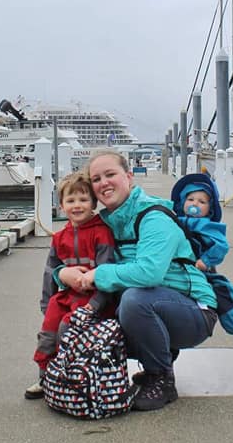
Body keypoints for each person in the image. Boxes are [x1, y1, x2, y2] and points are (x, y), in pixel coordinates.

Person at [66, 151, 219, 412]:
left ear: (128, 177)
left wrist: (97, 275)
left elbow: (150, 273)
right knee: (83, 308)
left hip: (193, 311)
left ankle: (161, 378)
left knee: (134, 300)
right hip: (154, 304)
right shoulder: (105, 221)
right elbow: (69, 250)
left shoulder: (154, 217)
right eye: (96, 179)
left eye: (110, 174)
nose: (104, 183)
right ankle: (156, 357)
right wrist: (63, 273)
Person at [24, 171, 116, 400]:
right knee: (47, 333)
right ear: (62, 205)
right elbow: (50, 271)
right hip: (66, 296)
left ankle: (72, 377)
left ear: (93, 203)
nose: (77, 205)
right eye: (71, 200)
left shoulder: (101, 232)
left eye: (83, 200)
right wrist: (47, 302)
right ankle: (46, 377)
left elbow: (107, 271)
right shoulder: (59, 238)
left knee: (67, 329)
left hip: (93, 299)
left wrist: (96, 304)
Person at [171, 172, 233, 361]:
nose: (195, 204)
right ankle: (164, 361)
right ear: (181, 202)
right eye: (190, 199)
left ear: (210, 208)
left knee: (225, 298)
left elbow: (221, 246)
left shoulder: (208, 226)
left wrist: (205, 261)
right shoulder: (172, 221)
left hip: (203, 273)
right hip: (177, 272)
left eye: (202, 202)